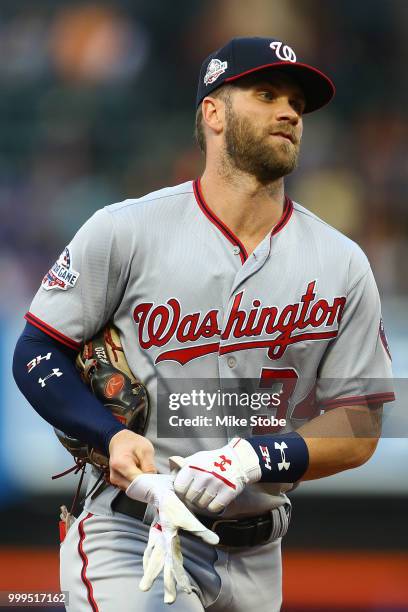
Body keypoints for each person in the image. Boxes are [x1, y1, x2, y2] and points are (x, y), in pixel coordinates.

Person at [13, 37, 394, 612]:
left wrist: (253, 458)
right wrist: (111, 436)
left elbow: (361, 422)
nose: (289, 112)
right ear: (213, 111)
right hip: (134, 528)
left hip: (259, 552)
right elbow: (37, 351)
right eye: (266, 94)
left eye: (296, 102)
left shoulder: (341, 262)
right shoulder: (125, 231)